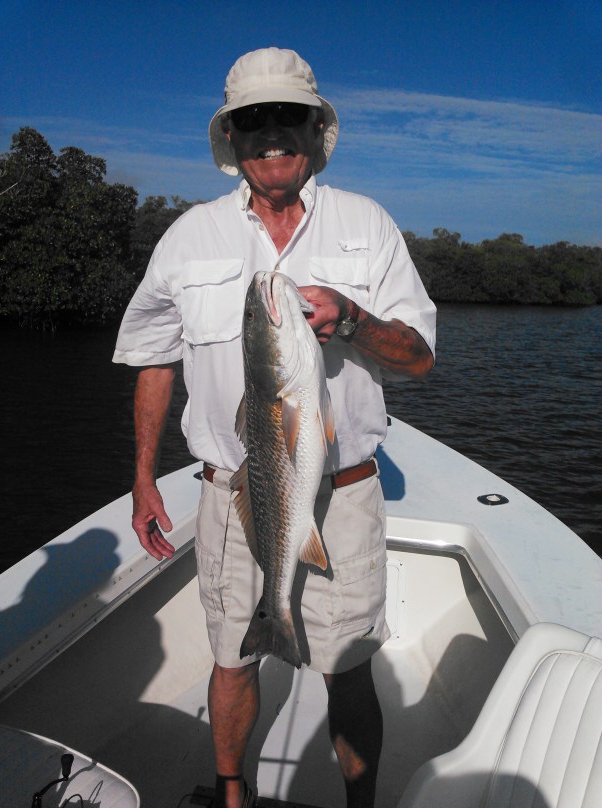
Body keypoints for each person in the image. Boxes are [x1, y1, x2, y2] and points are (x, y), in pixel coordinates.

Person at [113, 47, 436, 808]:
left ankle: (362, 802)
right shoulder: (189, 236)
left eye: (287, 118)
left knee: (347, 665)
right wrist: (139, 479)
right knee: (232, 657)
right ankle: (233, 796)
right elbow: (153, 359)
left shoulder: (368, 223)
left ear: (314, 130)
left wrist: (353, 318)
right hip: (230, 491)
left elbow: (419, 358)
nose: (271, 136)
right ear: (232, 140)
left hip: (345, 494)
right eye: (253, 122)